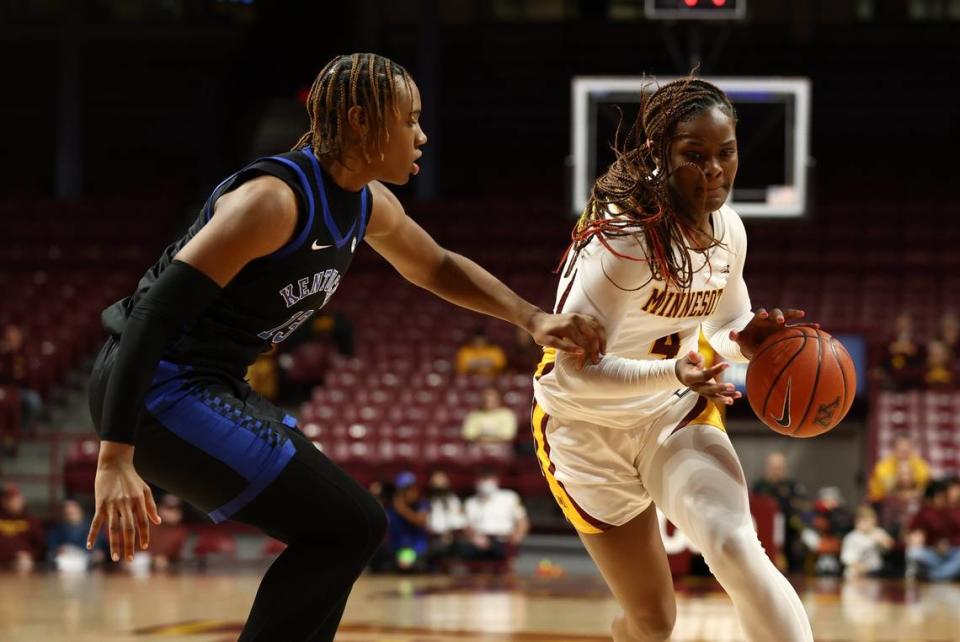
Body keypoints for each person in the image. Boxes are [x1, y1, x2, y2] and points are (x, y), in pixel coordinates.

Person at [84, 53, 605, 642]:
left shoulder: (365, 201)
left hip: (211, 382)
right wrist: (114, 459)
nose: (422, 134)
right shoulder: (273, 202)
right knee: (347, 524)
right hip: (158, 388)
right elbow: (150, 317)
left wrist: (532, 317)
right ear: (361, 122)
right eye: (410, 119)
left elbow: (434, 264)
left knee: (346, 528)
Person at [530, 77, 815, 641]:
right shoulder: (623, 241)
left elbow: (725, 322)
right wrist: (674, 370)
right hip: (586, 430)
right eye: (695, 156)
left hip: (673, 413)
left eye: (726, 152)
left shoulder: (729, 229)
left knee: (736, 545)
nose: (715, 170)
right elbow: (575, 372)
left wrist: (749, 341)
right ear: (661, 156)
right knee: (653, 622)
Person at [751, 452, 807, 572]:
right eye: (773, 468)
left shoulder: (792, 487)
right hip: (764, 533)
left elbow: (799, 507)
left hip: (789, 533)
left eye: (779, 468)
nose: (776, 471)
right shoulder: (759, 486)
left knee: (796, 556)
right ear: (767, 468)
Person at [461, 469, 529, 562]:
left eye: (488, 480)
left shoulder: (510, 497)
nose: (486, 484)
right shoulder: (471, 502)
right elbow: (466, 526)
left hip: (503, 540)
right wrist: (474, 538)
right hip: (478, 541)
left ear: (496, 481)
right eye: (483, 480)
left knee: (501, 551)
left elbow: (522, 521)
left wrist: (515, 539)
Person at [906, 480, 960, 581]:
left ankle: (934, 576)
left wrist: (949, 544)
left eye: (944, 497)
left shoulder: (954, 511)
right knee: (913, 553)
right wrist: (914, 538)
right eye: (939, 497)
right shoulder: (924, 512)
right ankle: (949, 573)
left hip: (954, 552)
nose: (942, 500)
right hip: (933, 553)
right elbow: (911, 532)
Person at [385, 471, 430, 572]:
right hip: (397, 549)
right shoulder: (390, 508)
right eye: (407, 489)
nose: (412, 492)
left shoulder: (422, 504)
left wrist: (402, 509)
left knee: (419, 566)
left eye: (413, 488)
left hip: (417, 550)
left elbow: (421, 521)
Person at [869, 434, 931, 502]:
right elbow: (889, 488)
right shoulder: (883, 466)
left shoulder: (919, 463)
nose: (904, 452)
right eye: (901, 449)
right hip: (880, 501)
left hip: (913, 500)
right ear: (894, 449)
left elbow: (926, 482)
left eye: (907, 449)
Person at [47, 499, 107, 568]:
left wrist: (99, 554)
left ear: (80, 510)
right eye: (68, 513)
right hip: (65, 566)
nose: (71, 514)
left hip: (89, 565)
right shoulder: (57, 529)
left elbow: (101, 548)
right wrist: (58, 550)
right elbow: (52, 548)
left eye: (73, 511)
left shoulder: (92, 528)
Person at [424, 469, 466, 568]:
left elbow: (460, 521)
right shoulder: (425, 501)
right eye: (436, 480)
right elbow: (426, 522)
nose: (439, 483)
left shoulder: (453, 500)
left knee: (462, 545)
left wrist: (450, 534)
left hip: (451, 537)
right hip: (432, 538)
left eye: (442, 480)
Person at [840, 505, 894, 579]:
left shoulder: (878, 532)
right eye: (862, 521)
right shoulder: (851, 537)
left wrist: (882, 540)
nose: (865, 524)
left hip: (875, 572)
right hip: (856, 572)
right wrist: (859, 567)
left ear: (874, 520)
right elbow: (847, 558)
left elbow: (889, 546)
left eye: (868, 520)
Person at [0, 483, 44, 571]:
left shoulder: (32, 520)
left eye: (16, 498)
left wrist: (31, 556)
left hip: (24, 567)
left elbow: (41, 546)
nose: (14, 501)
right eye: (8, 499)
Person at [149, 495, 189, 571]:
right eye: (169, 508)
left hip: (169, 573)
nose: (173, 512)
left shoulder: (182, 532)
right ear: (159, 508)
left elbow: (184, 560)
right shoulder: (147, 527)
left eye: (177, 509)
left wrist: (167, 562)